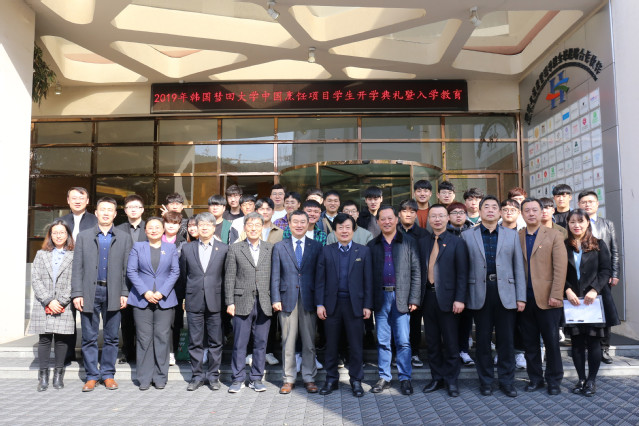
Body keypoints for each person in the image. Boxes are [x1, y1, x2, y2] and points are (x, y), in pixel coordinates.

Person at [461, 196, 526, 397]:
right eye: (486, 207)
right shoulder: (467, 235)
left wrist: (521, 297)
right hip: (479, 293)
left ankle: (507, 381)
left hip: (506, 292)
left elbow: (518, 267)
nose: (490, 210)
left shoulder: (511, 235)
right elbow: (463, 269)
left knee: (506, 340)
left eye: (494, 207)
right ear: (479, 212)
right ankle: (486, 381)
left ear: (499, 212)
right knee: (482, 341)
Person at [71, 197, 132, 392]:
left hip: (114, 292)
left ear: (115, 214)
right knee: (89, 337)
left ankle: (107, 374)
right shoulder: (84, 236)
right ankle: (91, 376)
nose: (106, 213)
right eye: (102, 209)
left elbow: (127, 269)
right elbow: (77, 267)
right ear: (96, 213)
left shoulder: (124, 237)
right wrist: (77, 293)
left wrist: (125, 292)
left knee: (112, 337)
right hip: (90, 291)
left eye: (110, 210)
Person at [316, 214, 373, 397]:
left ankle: (356, 380)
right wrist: (320, 304)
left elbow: (368, 281)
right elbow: (320, 281)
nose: (344, 231)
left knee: (355, 345)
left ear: (353, 229)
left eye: (348, 227)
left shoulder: (363, 251)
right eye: (340, 227)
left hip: (355, 305)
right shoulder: (326, 251)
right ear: (335, 230)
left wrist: (367, 305)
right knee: (331, 345)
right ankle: (331, 379)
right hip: (331, 305)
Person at [368, 206, 421, 395]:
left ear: (396, 219)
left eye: (390, 218)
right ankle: (385, 377)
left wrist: (414, 298)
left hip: (401, 297)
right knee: (383, 341)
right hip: (380, 297)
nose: (387, 222)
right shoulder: (372, 245)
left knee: (403, 341)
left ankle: (405, 378)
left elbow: (416, 271)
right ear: (378, 222)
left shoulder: (408, 242)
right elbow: (368, 276)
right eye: (383, 219)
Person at [518, 198, 567, 395]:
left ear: (541, 213)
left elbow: (560, 268)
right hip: (525, 299)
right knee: (530, 343)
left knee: (551, 342)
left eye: (534, 210)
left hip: (548, 299)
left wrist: (556, 294)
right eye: (527, 210)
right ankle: (535, 379)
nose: (531, 213)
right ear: (522, 214)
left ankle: (554, 380)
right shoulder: (517, 236)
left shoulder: (554, 235)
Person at [271, 210, 322, 394]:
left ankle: (309, 377)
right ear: (289, 225)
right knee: (288, 342)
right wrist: (275, 298)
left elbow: (320, 277)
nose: (299, 225)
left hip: (309, 298)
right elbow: (275, 275)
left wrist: (320, 301)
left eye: (302, 222)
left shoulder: (316, 246)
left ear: (308, 224)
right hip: (286, 299)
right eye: (295, 222)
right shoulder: (279, 246)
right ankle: (288, 379)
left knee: (309, 342)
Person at [419, 204, 468, 398]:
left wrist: (460, 299)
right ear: (429, 220)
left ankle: (451, 380)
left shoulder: (457, 242)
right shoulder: (423, 242)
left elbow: (463, 274)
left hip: (449, 299)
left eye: (441, 216)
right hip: (428, 297)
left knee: (450, 342)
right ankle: (437, 378)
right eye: (433, 216)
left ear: (448, 218)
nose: (437, 219)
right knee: (432, 342)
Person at [126, 217, 180, 391]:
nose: (154, 230)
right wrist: (145, 292)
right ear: (145, 230)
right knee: (143, 339)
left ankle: (160, 377)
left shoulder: (170, 248)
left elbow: (175, 272)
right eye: (150, 227)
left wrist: (162, 292)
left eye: (157, 227)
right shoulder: (138, 247)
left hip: (165, 299)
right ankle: (144, 377)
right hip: (142, 299)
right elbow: (131, 271)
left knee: (162, 338)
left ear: (163, 230)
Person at [178, 212, 228, 392]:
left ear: (214, 228)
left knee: (216, 341)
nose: (204, 227)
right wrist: (184, 297)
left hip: (216, 300)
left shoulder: (224, 249)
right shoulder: (187, 248)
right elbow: (183, 276)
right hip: (194, 300)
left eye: (208, 225)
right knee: (195, 341)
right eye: (201, 225)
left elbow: (226, 276)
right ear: (196, 228)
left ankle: (213, 376)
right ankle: (197, 376)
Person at [225, 212, 274, 393]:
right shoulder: (235, 248)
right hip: (241, 301)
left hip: (264, 301)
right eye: (250, 225)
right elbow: (229, 277)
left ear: (262, 228)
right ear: (245, 227)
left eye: (257, 225)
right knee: (240, 343)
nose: (253, 228)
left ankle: (256, 378)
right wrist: (229, 302)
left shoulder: (270, 248)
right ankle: (237, 379)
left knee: (261, 342)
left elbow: (275, 276)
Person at [564, 209, 611, 397]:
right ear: (567, 224)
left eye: (580, 221)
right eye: (572, 222)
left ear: (587, 223)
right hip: (573, 301)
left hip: (593, 301)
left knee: (593, 343)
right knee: (576, 343)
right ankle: (581, 379)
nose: (576, 225)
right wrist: (567, 289)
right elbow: (557, 271)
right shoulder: (563, 245)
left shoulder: (599, 244)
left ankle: (591, 380)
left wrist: (595, 289)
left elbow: (605, 271)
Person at [28, 220, 75, 391]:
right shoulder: (41, 254)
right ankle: (43, 376)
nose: (58, 236)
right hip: (44, 303)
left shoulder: (74, 255)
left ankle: (58, 374)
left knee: (62, 340)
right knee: (45, 339)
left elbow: (75, 281)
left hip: (64, 304)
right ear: (50, 235)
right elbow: (35, 279)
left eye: (62, 232)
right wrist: (48, 300)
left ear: (67, 235)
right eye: (55, 233)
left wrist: (60, 301)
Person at [578, 190, 621, 364]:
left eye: (591, 201)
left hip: (603, 276)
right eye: (584, 202)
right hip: (582, 277)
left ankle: (604, 349)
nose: (587, 204)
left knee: (604, 313)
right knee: (583, 310)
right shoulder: (575, 224)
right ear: (578, 205)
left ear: (597, 204)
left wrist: (614, 273)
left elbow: (614, 250)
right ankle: (584, 347)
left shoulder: (607, 224)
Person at [115, 194, 147, 365]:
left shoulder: (150, 227)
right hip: (125, 279)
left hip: (145, 279)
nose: (133, 210)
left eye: (137, 207)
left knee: (142, 320)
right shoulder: (118, 229)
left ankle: (142, 352)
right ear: (125, 210)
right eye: (130, 207)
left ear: (142, 209)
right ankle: (127, 352)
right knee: (126, 319)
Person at [396, 199, 427, 368]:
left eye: (412, 211)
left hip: (417, 283)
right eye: (405, 211)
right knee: (396, 322)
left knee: (415, 322)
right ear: (399, 214)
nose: (408, 214)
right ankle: (398, 354)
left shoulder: (423, 234)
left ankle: (414, 353)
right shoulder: (393, 231)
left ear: (416, 214)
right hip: (397, 285)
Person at [164, 210, 187, 367]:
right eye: (168, 222)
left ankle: (172, 352)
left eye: (175, 223)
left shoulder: (184, 243)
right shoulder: (155, 239)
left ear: (179, 226)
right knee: (160, 323)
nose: (171, 226)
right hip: (157, 289)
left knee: (175, 322)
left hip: (177, 289)